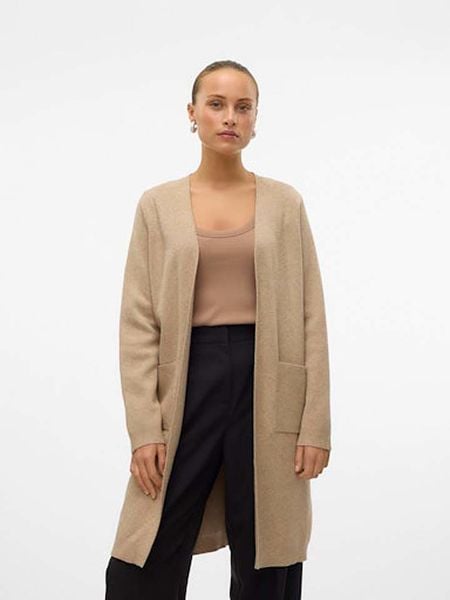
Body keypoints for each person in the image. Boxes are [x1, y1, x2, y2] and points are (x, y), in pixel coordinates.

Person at [105, 59, 331, 600]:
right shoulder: (158, 206)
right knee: (146, 550)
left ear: (255, 119)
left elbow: (311, 316)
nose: (230, 117)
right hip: (188, 379)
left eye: (243, 107)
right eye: (216, 104)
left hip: (269, 380)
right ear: (192, 113)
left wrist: (314, 426)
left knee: (266, 550)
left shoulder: (285, 203)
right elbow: (138, 321)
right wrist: (145, 429)